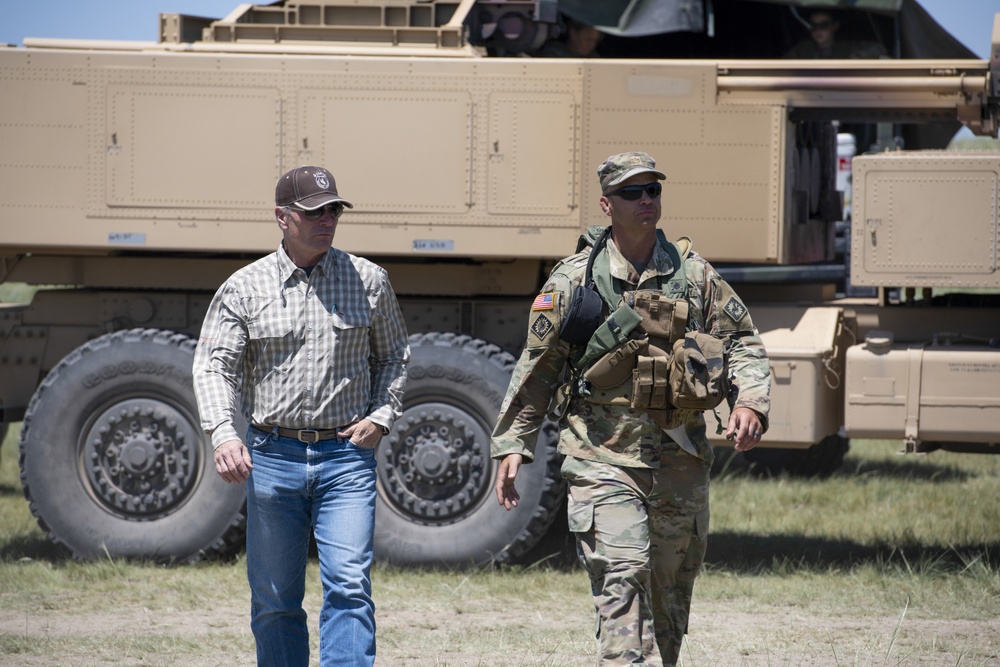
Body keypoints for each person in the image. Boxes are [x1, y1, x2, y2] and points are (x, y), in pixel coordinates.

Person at [490, 152, 770, 666]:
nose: (646, 201)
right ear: (606, 204)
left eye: (653, 190)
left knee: (668, 597)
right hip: (602, 456)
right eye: (632, 193)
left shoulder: (694, 275)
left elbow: (741, 342)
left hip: (679, 460)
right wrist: (514, 443)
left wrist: (749, 400)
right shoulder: (575, 281)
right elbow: (539, 366)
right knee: (623, 571)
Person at [193, 165, 409, 667]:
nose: (327, 219)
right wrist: (224, 434)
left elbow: (394, 356)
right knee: (273, 600)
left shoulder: (369, 280)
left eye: (334, 209)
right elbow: (213, 365)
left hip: (347, 458)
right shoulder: (244, 287)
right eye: (315, 211)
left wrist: (381, 415)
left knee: (350, 587)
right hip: (272, 456)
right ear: (282, 217)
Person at [784, 10, 886, 59]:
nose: (818, 30)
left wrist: (855, 57)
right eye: (813, 25)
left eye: (824, 25)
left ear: (834, 26)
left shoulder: (848, 47)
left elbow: (879, 48)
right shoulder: (802, 49)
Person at [538, 16, 603, 58]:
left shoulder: (594, 57)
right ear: (573, 34)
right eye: (588, 40)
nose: (592, 45)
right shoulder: (553, 54)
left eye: (595, 41)